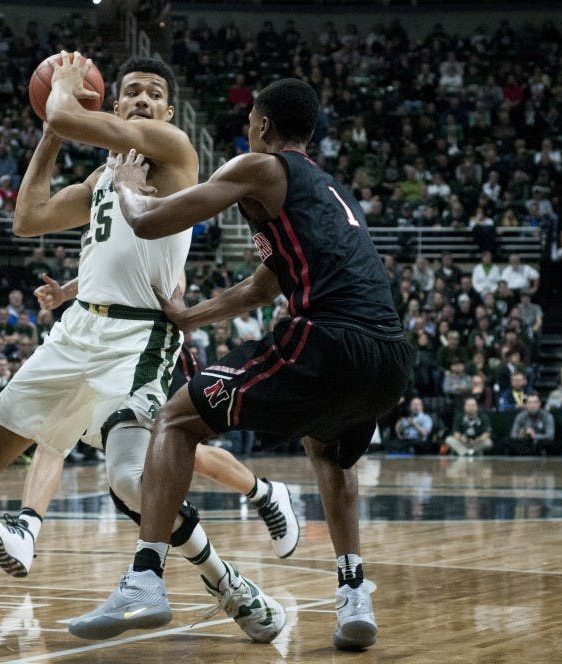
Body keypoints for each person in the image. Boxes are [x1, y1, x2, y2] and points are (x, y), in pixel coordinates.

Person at [0, 54, 287, 645]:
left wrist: (60, 95)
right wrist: (48, 133)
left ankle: (230, 585)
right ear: (114, 104)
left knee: (128, 478)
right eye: (131, 91)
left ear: (166, 109)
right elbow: (27, 217)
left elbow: (67, 114)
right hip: (77, 329)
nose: (142, 99)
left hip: (139, 336)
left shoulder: (173, 149)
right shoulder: (99, 179)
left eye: (152, 93)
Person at [72, 79, 413, 651]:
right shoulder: (330, 190)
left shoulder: (260, 166)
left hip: (327, 339)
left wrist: (130, 189)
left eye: (251, 120)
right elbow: (267, 282)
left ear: (261, 125)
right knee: (329, 447)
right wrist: (192, 316)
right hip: (390, 356)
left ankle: (146, 578)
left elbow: (154, 221)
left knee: (177, 421)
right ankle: (354, 592)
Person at [0, 273, 301, 578]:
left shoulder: (164, 226)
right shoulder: (116, 227)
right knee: (55, 433)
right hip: (105, 350)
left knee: (185, 453)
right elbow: (102, 267)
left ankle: (265, 494)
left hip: (151, 355)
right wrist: (66, 293)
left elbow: (170, 285)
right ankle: (27, 528)